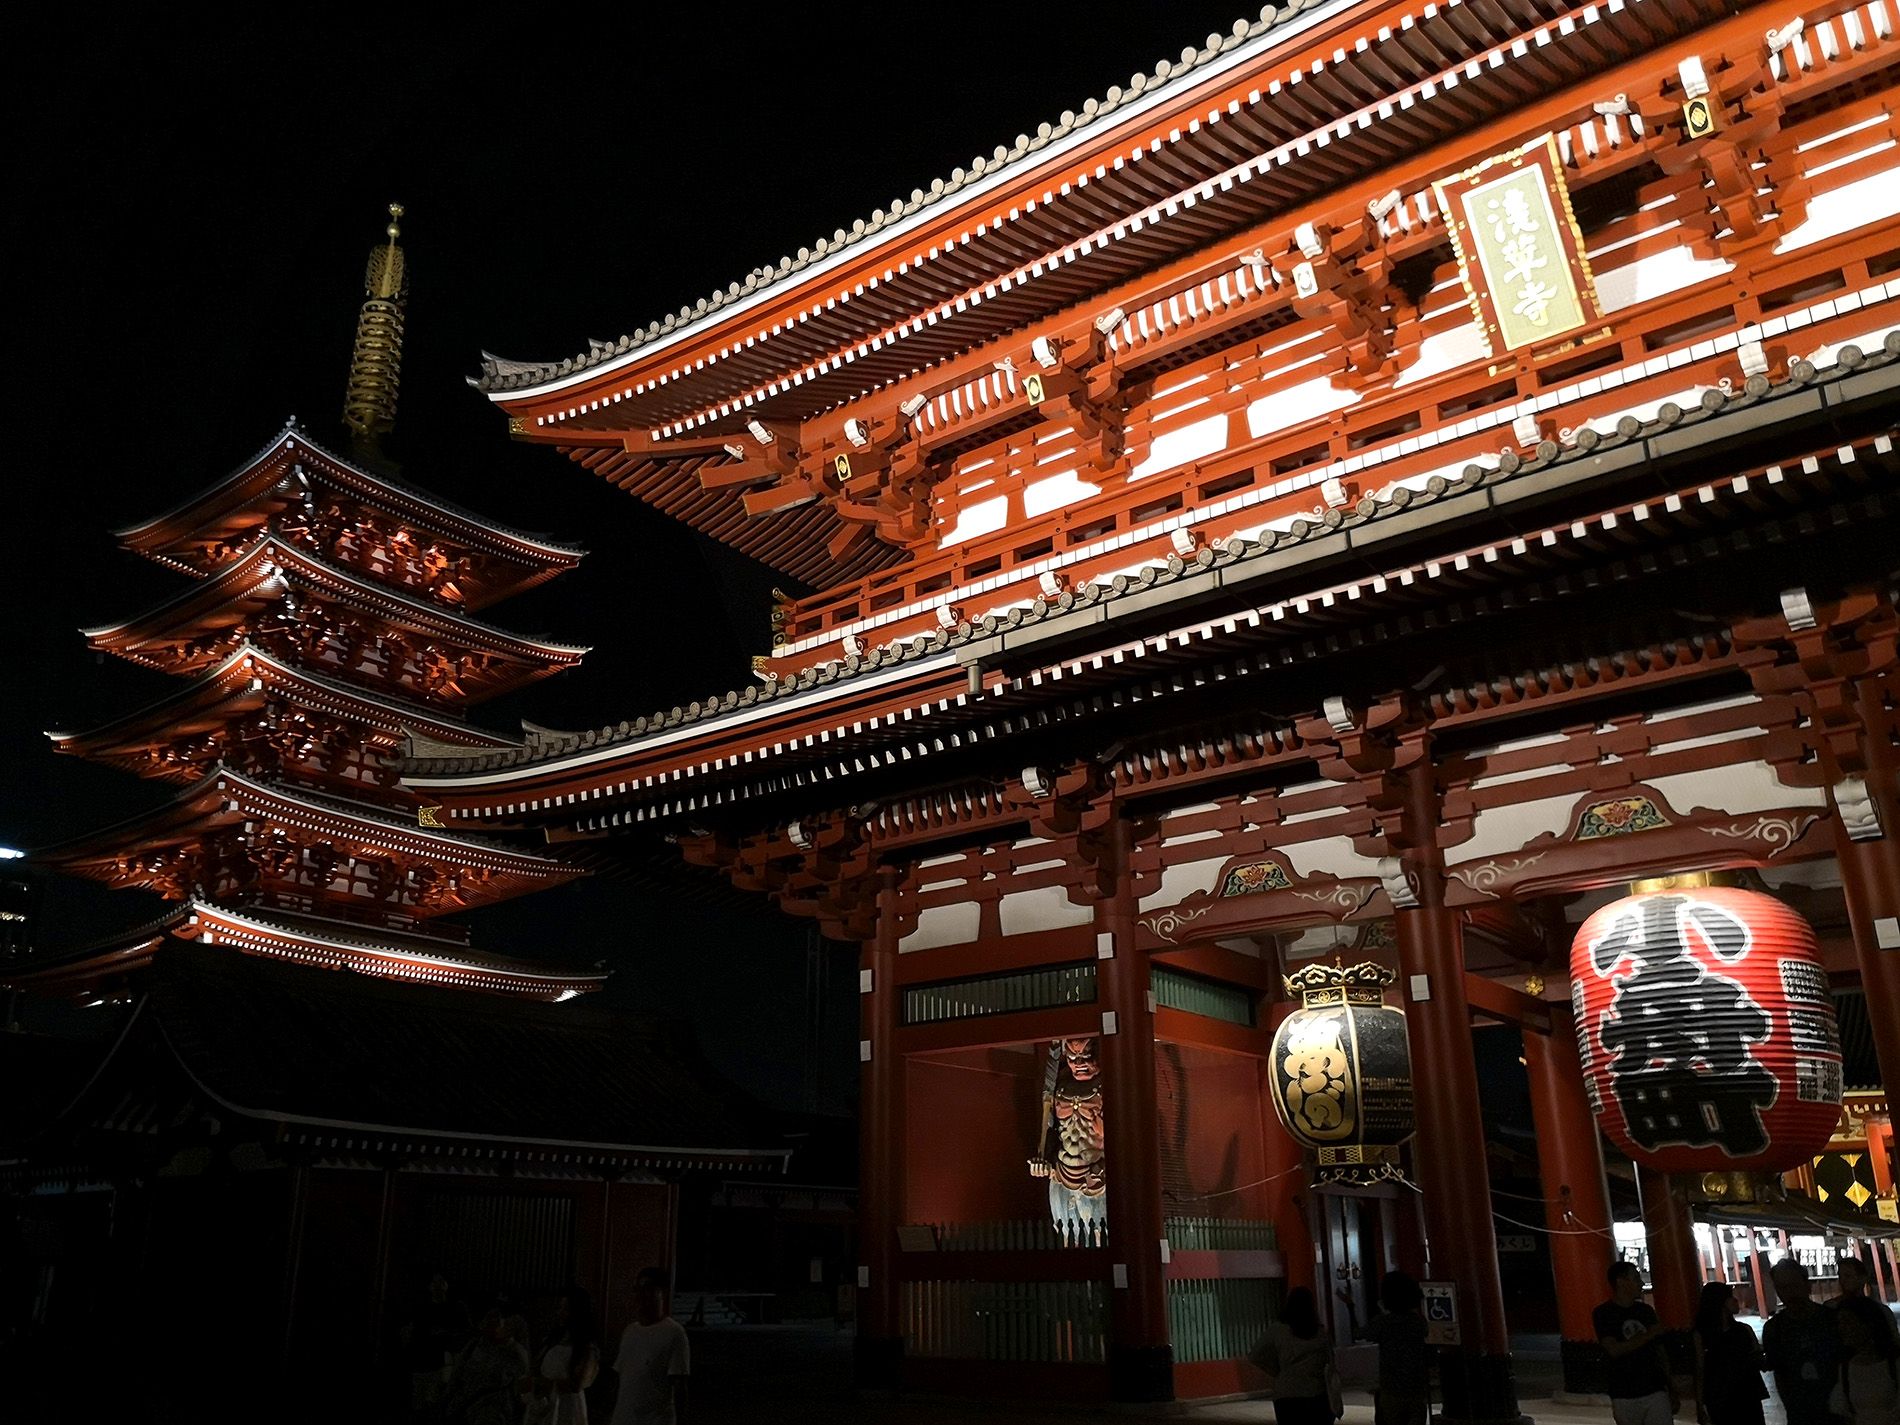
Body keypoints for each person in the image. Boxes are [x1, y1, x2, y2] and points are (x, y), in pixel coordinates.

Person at [1594, 1260, 1676, 1425]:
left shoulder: (1646, 1311)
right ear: (1621, 1282)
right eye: (1636, 1278)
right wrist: (1649, 1334)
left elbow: (1660, 1352)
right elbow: (1613, 1349)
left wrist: (1671, 1387)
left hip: (1654, 1388)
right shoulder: (1604, 1314)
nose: (1641, 1283)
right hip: (1624, 1392)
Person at [1764, 1257, 1843, 1425]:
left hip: (1837, 1406)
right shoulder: (1774, 1328)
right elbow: (1779, 1371)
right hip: (1799, 1411)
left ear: (1807, 1285)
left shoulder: (1832, 1319)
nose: (1789, 1293)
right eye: (1782, 1287)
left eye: (1794, 1285)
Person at [609, 1267, 691, 1425]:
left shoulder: (674, 1333)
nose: (640, 1295)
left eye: (647, 1288)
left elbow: (680, 1386)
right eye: (637, 1289)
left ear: (663, 1292)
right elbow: (621, 1379)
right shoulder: (630, 1331)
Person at [1251, 1285, 1340, 1425]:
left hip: (1286, 1395)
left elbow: (1255, 1355)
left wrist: (1277, 1371)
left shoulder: (1277, 1330)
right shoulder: (1320, 1333)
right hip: (1316, 1394)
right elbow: (1331, 1363)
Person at [1692, 1280, 1767, 1425]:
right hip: (1738, 1393)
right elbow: (1700, 1370)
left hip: (1728, 1394)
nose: (1736, 1300)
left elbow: (1700, 1370)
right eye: (1731, 1297)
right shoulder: (1743, 1331)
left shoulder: (1703, 1335)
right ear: (1721, 1302)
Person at [1363, 1271, 1431, 1425]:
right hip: (1416, 1386)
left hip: (1391, 1386)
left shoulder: (1383, 1323)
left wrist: (1351, 1306)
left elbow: (1363, 1333)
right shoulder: (1418, 1322)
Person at [525, 1287, 600, 1425]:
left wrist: (544, 1384)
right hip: (545, 1404)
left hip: (566, 1406)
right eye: (560, 1308)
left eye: (566, 1309)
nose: (560, 1313)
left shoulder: (585, 1347)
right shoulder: (552, 1340)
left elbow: (577, 1383)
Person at [442, 1308, 530, 1425]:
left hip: (493, 1410)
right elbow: (457, 1375)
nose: (497, 1328)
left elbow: (518, 1384)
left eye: (499, 1324)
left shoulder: (514, 1353)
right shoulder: (474, 1345)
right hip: (469, 1407)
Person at [403, 1271, 471, 1421]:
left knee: (435, 1402)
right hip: (422, 1361)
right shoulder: (422, 1308)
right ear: (429, 1287)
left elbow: (465, 1332)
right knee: (420, 1403)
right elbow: (411, 1331)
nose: (438, 1286)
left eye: (441, 1282)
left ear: (446, 1285)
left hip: (442, 1362)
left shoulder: (454, 1308)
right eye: (435, 1283)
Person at [1832, 1295, 1900, 1425]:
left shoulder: (1894, 1363)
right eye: (1840, 1323)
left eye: (1848, 1322)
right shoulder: (1846, 1367)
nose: (1842, 1329)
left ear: (1868, 1323)